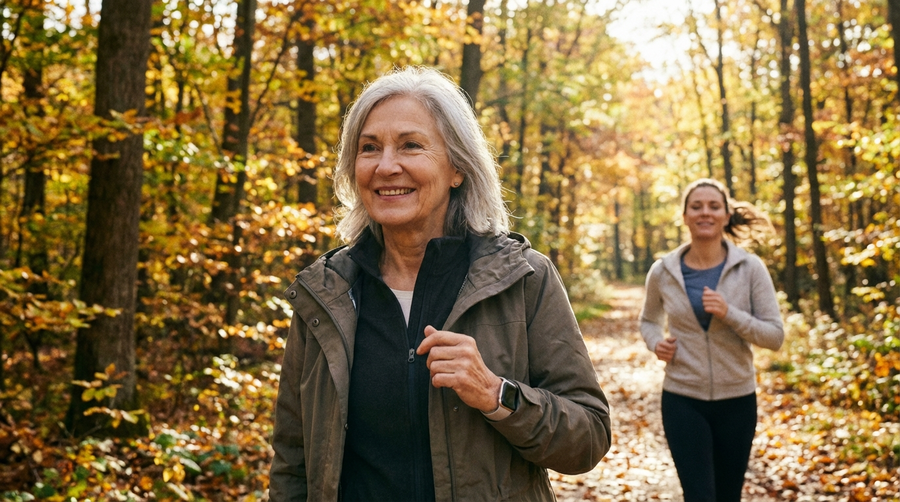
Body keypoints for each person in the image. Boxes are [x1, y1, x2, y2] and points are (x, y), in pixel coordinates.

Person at [269, 66, 611, 502]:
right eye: (369, 148)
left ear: (457, 168)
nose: (386, 166)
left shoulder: (523, 278)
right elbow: (292, 459)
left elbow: (589, 437)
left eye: (410, 145)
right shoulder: (326, 292)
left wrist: (495, 393)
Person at [639, 178, 784, 502]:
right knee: (699, 496)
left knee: (729, 496)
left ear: (726, 215)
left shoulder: (750, 268)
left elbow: (775, 336)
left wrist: (729, 313)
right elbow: (648, 320)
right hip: (682, 398)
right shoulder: (663, 271)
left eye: (714, 206)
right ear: (685, 216)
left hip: (737, 400)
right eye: (697, 206)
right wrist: (656, 343)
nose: (705, 212)